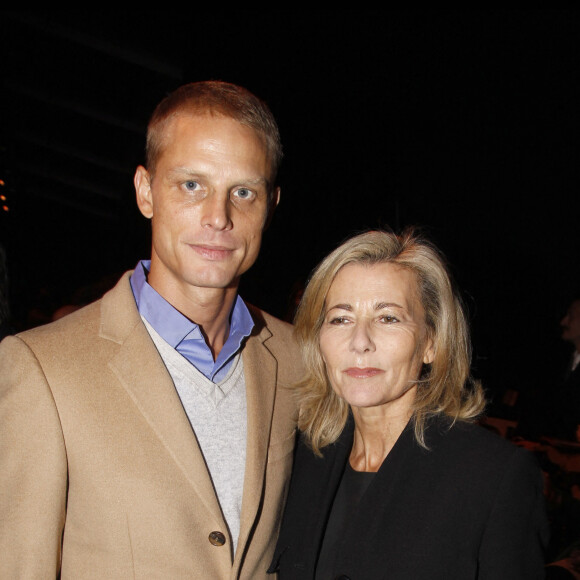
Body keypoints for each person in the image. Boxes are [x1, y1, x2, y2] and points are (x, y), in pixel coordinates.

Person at [0, 81, 303, 579]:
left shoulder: (299, 359)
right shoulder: (42, 370)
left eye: (242, 192)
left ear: (270, 204)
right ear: (145, 192)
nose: (218, 217)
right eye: (191, 185)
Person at [269, 229, 549, 579]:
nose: (360, 342)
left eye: (388, 318)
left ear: (431, 341)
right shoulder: (300, 458)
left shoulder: (493, 478)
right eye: (341, 318)